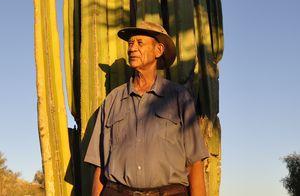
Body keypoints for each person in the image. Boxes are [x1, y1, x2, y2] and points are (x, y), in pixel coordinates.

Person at [84, 21, 209, 196]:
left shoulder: (180, 98)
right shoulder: (112, 100)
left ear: (158, 50)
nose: (132, 48)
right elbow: (99, 165)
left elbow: (195, 164)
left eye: (139, 43)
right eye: (130, 43)